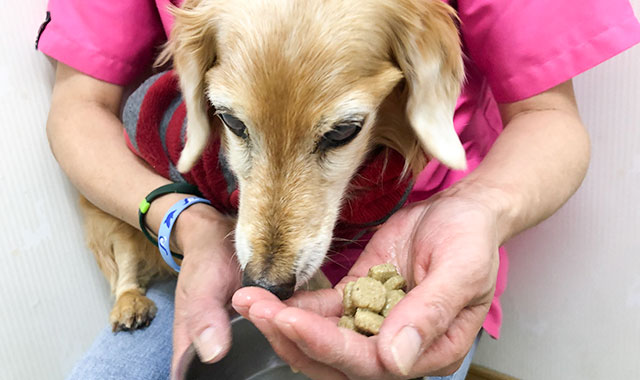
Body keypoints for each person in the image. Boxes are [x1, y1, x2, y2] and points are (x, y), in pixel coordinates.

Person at [39, 0, 640, 379]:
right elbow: (78, 108)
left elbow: (549, 121)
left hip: (419, 257)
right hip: (208, 246)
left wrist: (476, 208)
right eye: (233, 121)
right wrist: (189, 226)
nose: (269, 262)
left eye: (339, 130)